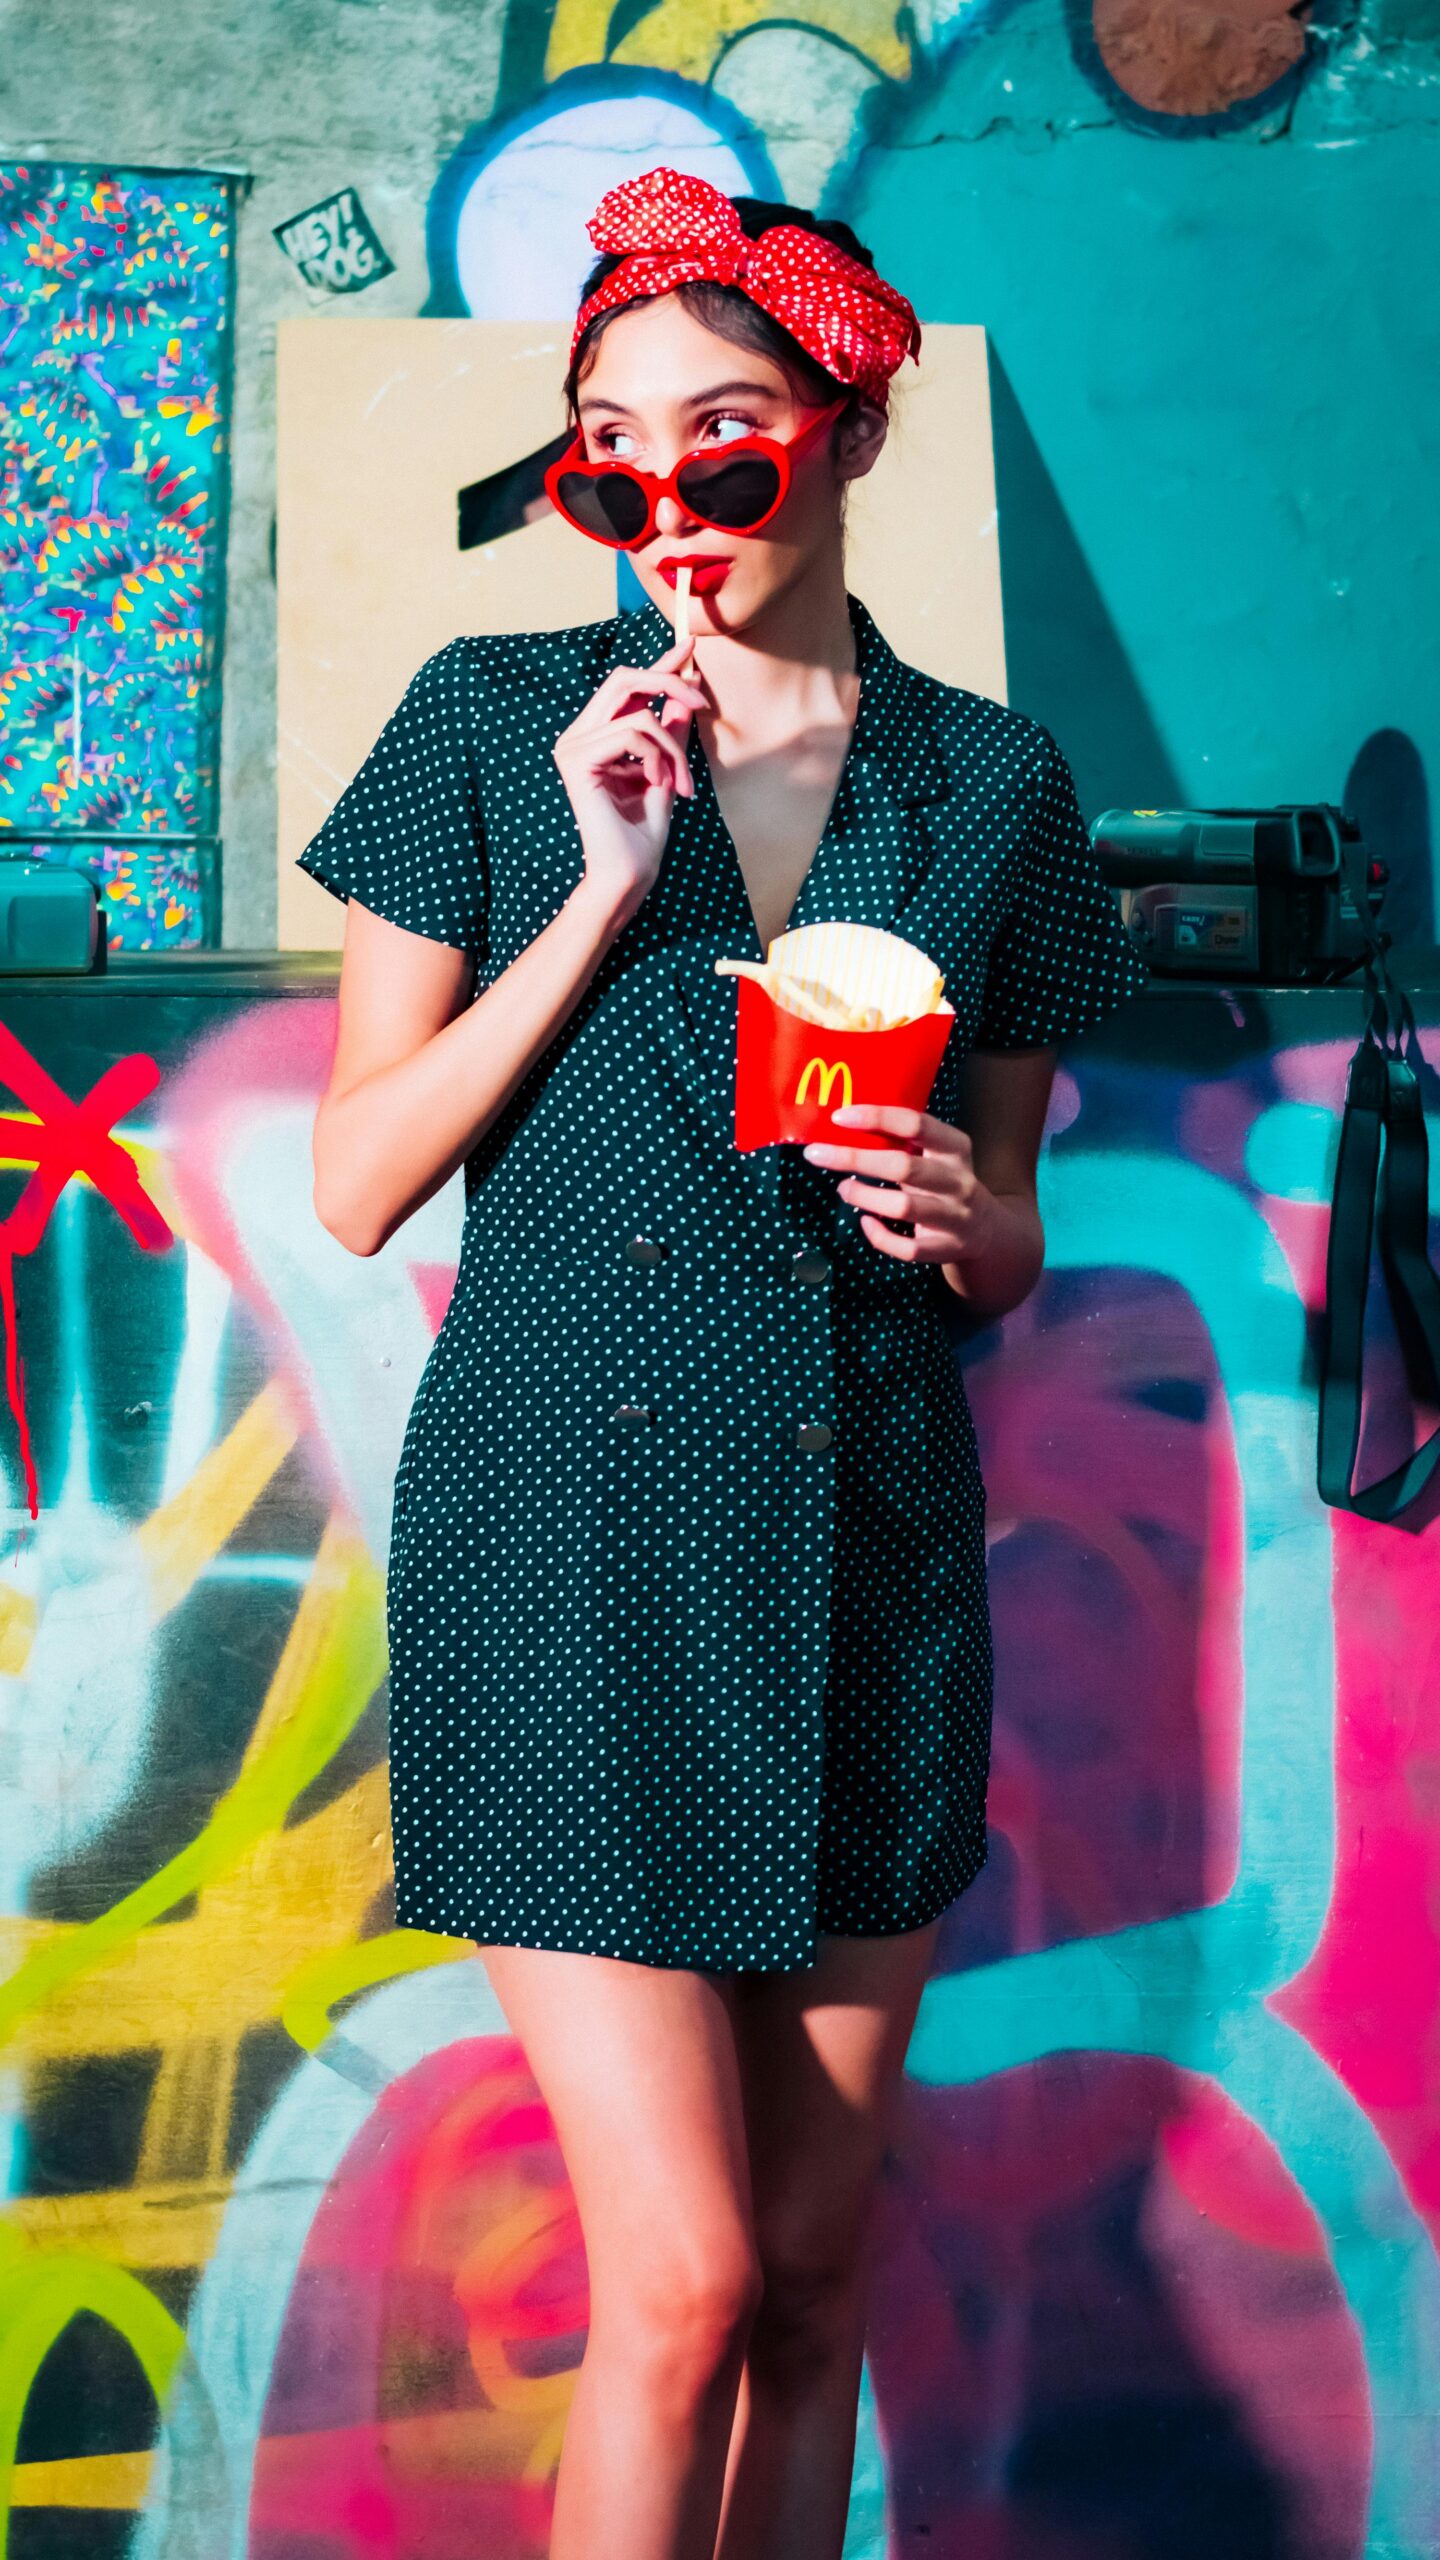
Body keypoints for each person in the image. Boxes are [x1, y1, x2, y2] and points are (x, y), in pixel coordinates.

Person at [299, 165, 1150, 2560]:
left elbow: (1003, 1228)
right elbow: (359, 1181)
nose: (665, 503)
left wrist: (981, 1225)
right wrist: (588, 886)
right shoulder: (487, 721)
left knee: (804, 2269)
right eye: (609, 452)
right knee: (671, 2278)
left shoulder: (990, 784)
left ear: (849, 433)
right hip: (568, 1552)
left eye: (728, 441)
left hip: (866, 1544)